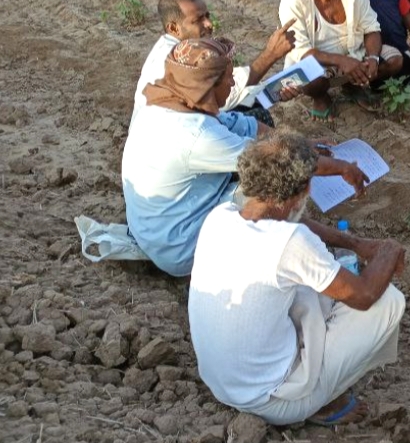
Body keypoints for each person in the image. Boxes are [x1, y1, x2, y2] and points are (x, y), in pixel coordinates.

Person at [189, 131, 406, 426]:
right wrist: (389, 250)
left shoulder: (221, 216)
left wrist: (354, 243)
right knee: (389, 301)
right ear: (300, 193)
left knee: (305, 283)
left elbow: (294, 222)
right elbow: (365, 295)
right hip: (272, 403)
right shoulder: (291, 242)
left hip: (221, 384)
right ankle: (324, 402)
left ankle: (301, 363)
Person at [122, 37, 368, 276]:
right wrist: (341, 167)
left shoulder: (171, 103)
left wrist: (305, 144)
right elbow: (283, 161)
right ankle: (287, 254)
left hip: (157, 227)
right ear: (207, 85)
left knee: (263, 133)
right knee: (277, 184)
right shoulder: (197, 136)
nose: (232, 83)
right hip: (180, 247)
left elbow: (249, 125)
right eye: (228, 78)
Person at [132, 0, 297, 124]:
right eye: (198, 20)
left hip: (183, 126)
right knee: (258, 120)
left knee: (253, 110)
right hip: (179, 138)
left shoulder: (177, 49)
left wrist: (269, 92)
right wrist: (271, 54)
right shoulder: (177, 60)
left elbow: (226, 93)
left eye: (207, 16)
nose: (209, 24)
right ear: (174, 28)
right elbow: (227, 97)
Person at [278, 0, 404, 120]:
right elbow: (301, 52)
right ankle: (321, 98)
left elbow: (371, 28)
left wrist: (373, 58)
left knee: (395, 60)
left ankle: (353, 85)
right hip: (319, 62)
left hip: (354, 53)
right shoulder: (293, 1)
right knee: (309, 79)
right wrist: (343, 61)